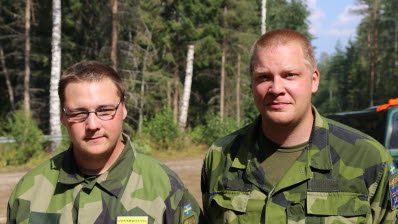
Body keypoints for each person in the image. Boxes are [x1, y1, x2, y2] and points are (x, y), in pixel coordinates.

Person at [201, 29, 398, 223]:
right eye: (264, 77)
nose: (276, 89)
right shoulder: (221, 156)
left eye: (289, 75)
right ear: (252, 84)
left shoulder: (368, 159)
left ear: (314, 81)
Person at [7, 61, 202, 224]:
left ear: (123, 108)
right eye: (78, 113)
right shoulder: (30, 191)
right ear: (63, 117)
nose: (92, 124)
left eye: (105, 110)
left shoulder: (165, 186)